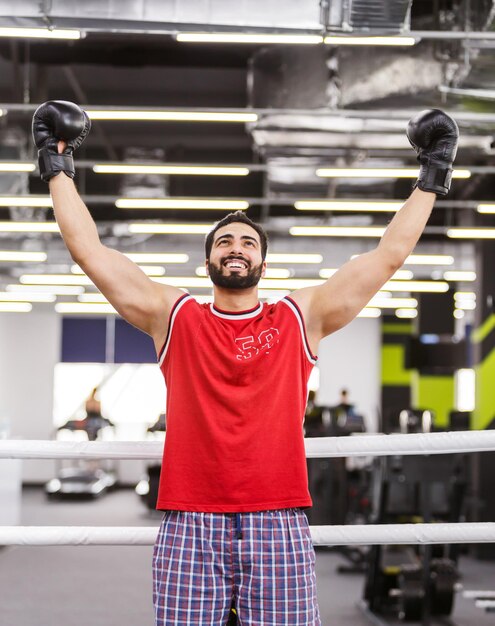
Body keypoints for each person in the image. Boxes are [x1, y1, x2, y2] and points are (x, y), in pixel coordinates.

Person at [31, 101, 458, 626]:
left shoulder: (300, 317)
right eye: (225, 241)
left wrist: (433, 172)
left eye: (249, 242)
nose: (237, 248)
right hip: (191, 521)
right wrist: (57, 166)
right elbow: (91, 253)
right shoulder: (175, 316)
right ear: (208, 260)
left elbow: (386, 257)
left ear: (262, 261)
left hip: (277, 519)